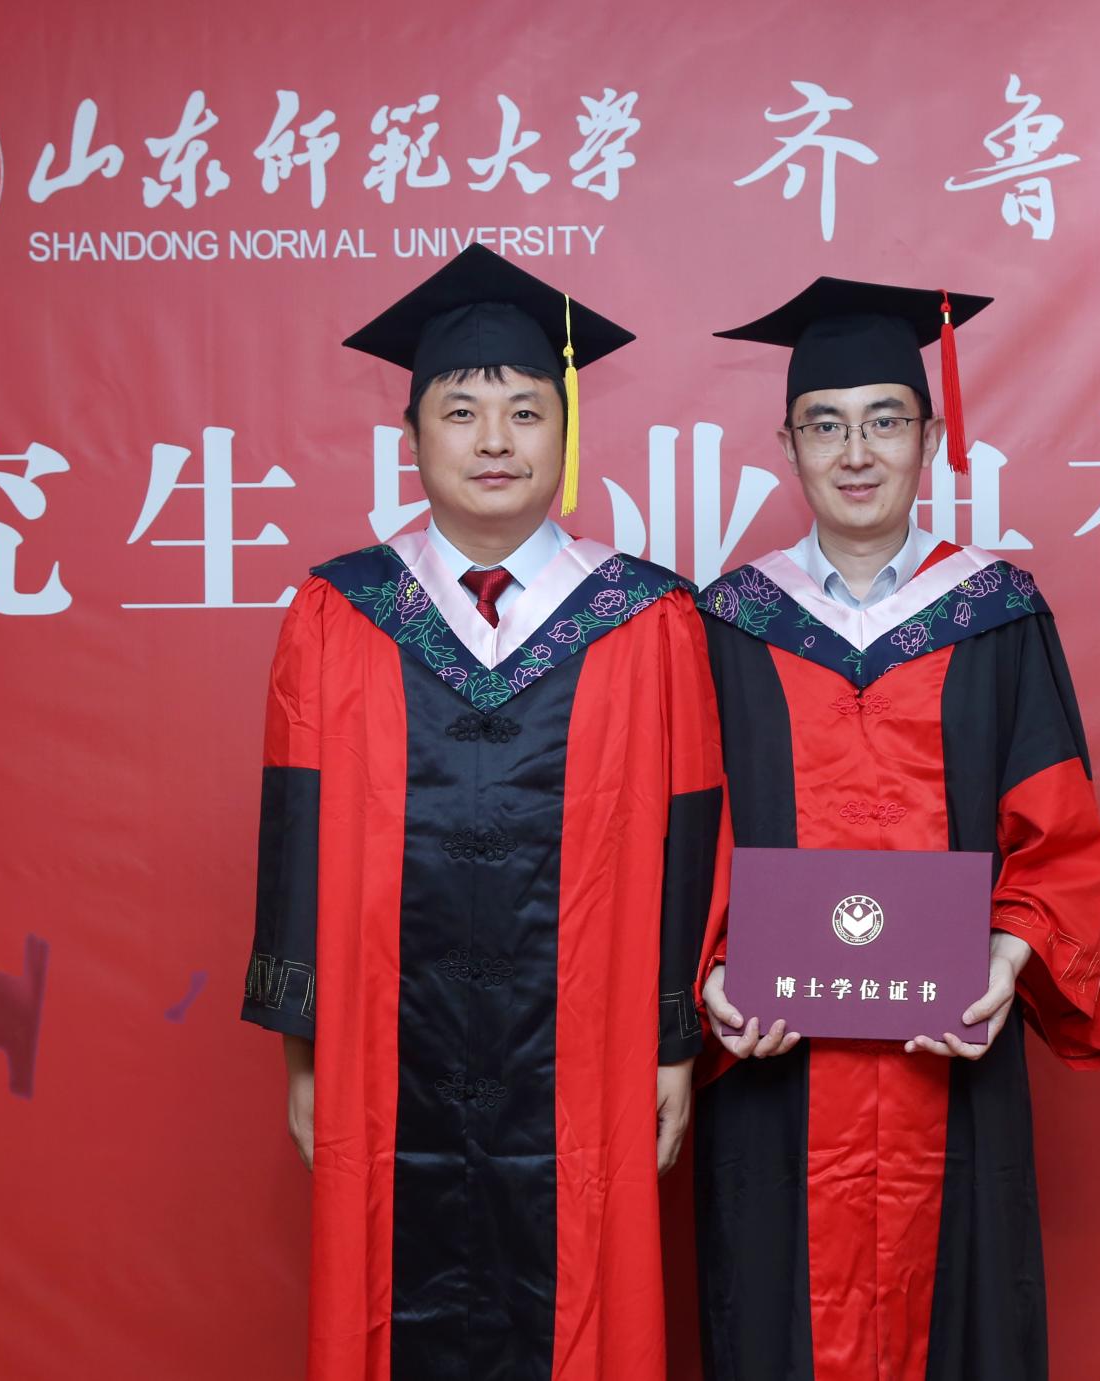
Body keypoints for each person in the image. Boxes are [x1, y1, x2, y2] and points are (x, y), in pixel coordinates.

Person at [241, 244, 728, 1381]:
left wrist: (672, 1045)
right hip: (380, 1050)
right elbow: (296, 832)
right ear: (412, 436)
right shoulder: (340, 611)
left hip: (592, 1054)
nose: (495, 440)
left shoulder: (645, 617)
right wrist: (304, 1056)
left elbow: (689, 838)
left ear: (565, 433)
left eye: (525, 411)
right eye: (461, 412)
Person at [692, 276, 1100, 1381]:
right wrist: (712, 981)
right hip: (775, 1074)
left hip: (949, 1067)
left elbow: (1060, 835)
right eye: (825, 425)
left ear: (929, 439)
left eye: (885, 420)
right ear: (787, 445)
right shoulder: (726, 625)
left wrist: (1005, 960)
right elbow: (679, 844)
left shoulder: (996, 616)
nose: (856, 452)